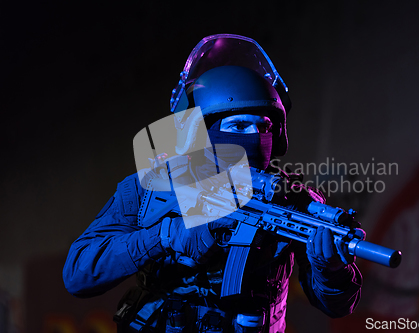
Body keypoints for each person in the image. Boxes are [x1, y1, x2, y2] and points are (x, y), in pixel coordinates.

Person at [63, 34, 362, 333]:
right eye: (239, 126)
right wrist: (166, 236)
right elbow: (78, 274)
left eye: (265, 126)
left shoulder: (293, 201)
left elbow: (337, 306)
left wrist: (331, 270)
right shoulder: (148, 189)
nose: (256, 136)